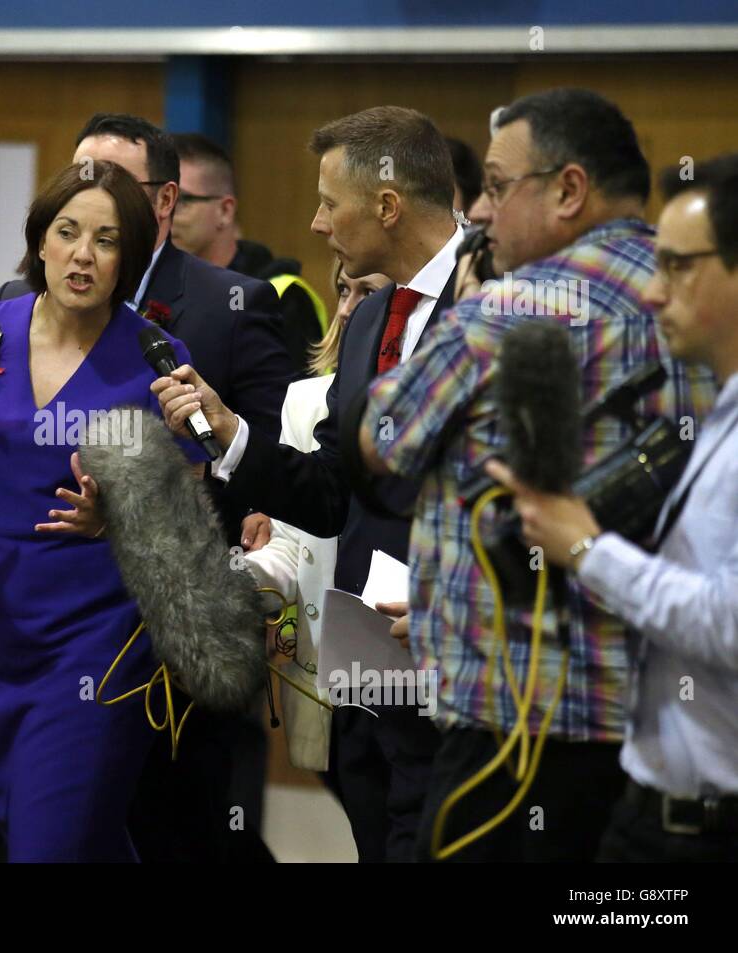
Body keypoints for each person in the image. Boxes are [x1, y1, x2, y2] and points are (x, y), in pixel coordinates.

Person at [356, 88, 715, 861]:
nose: (480, 213)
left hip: (512, 725)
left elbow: (382, 435)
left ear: (568, 189)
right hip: (658, 731)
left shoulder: (508, 310)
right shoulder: (694, 302)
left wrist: (461, 319)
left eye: (494, 186)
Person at [154, 106, 463, 862]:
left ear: (386, 205)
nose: (318, 224)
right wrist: (233, 436)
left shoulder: (496, 303)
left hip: (456, 661)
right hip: (365, 668)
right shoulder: (367, 320)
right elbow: (329, 491)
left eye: (330, 202)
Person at [0, 113, 292, 863]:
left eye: (111, 185)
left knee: (179, 837)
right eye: (77, 182)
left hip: (173, 646)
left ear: (162, 203)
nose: (89, 205)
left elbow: (270, 468)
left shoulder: (234, 303)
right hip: (38, 633)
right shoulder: (8, 308)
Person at [0, 160, 204, 862]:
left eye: (107, 239)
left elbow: (189, 525)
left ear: (131, 260)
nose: (83, 254)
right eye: (67, 231)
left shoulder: (155, 359)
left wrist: (116, 517)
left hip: (100, 637)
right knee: (23, 833)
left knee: (49, 840)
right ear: (39, 241)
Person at [485, 154, 738, 862]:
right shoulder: (720, 409)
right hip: (654, 809)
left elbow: (728, 621)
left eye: (679, 267)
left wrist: (590, 548)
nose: (654, 294)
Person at [244, 258, 390, 772]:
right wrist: (234, 579)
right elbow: (290, 544)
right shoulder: (303, 402)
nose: (348, 310)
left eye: (367, 293)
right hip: (325, 674)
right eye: (343, 292)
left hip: (404, 661)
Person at [171, 131, 328, 372]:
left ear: (225, 210)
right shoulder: (154, 287)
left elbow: (301, 403)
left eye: (181, 201)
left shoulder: (282, 296)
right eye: (161, 199)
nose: (165, 213)